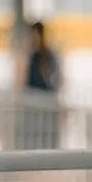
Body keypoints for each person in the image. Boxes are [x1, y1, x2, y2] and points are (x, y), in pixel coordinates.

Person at [18, 21, 63, 150]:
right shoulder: (30, 55)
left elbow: (57, 79)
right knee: (34, 138)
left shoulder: (47, 55)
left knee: (44, 138)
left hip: (43, 103)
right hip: (33, 104)